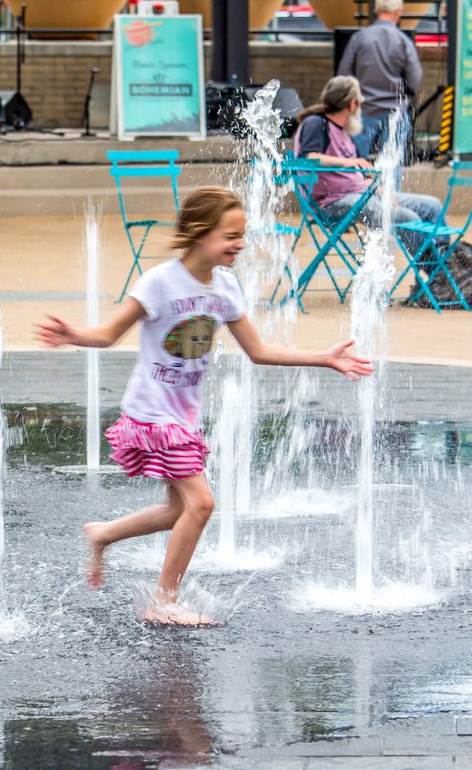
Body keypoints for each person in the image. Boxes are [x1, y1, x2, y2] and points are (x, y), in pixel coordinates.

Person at [35, 186, 372, 626]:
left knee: (179, 509)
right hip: (152, 413)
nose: (239, 244)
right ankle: (163, 601)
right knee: (201, 504)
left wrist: (323, 358)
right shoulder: (159, 282)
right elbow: (109, 334)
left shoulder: (226, 288)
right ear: (198, 233)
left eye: (242, 235)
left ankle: (103, 534)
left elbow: (259, 350)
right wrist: (74, 335)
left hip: (181, 417)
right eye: (229, 235)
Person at [293, 75, 441, 233]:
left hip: (359, 195)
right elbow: (308, 158)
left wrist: (379, 190)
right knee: (408, 218)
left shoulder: (345, 134)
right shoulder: (316, 123)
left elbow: (359, 176)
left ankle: (446, 254)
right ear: (352, 104)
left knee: (432, 206)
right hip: (331, 203)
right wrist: (348, 162)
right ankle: (427, 256)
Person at [337, 0, 422, 161]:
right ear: (398, 12)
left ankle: (356, 188)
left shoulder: (359, 38)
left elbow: (343, 76)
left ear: (376, 11)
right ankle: (389, 189)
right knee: (391, 164)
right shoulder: (403, 41)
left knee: (353, 162)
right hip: (395, 111)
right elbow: (414, 78)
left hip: (362, 109)